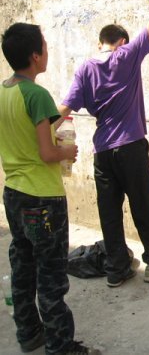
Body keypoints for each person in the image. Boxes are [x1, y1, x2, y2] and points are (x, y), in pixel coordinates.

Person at [58, 0, 149, 287]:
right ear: (121, 41)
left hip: (102, 151)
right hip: (131, 146)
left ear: (100, 42)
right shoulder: (125, 56)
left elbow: (64, 108)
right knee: (143, 204)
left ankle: (116, 269)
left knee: (109, 211)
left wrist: (40, 133)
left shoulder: (85, 68)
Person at [0, 23, 100, 354]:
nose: (47, 50)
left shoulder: (4, 91)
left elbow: (23, 139)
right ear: (34, 56)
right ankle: (60, 345)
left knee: (23, 264)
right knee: (51, 275)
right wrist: (66, 151)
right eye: (44, 46)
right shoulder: (36, 94)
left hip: (13, 193)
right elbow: (47, 153)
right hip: (42, 198)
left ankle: (29, 332)